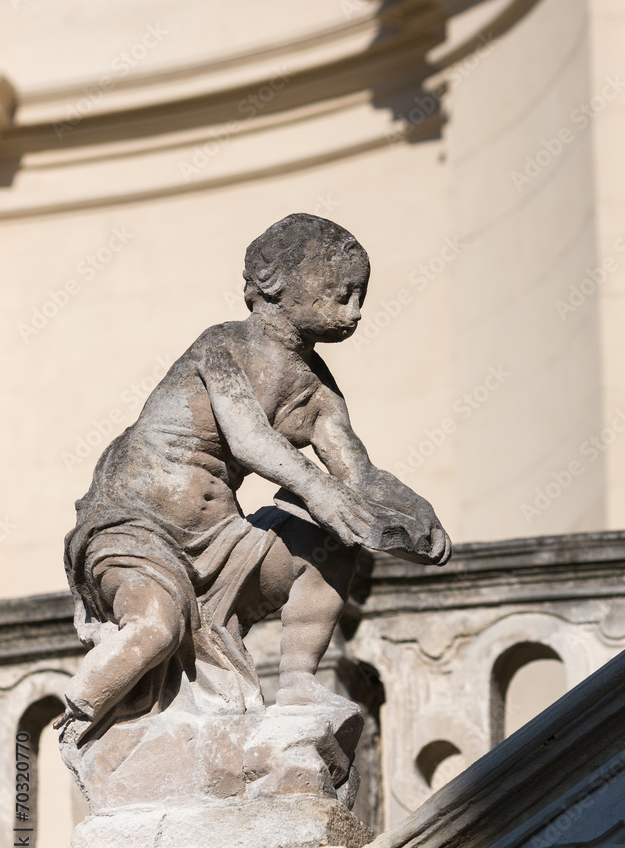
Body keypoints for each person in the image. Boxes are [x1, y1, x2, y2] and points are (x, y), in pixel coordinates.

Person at [56, 213, 450, 741]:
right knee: (153, 630)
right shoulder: (222, 346)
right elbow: (249, 439)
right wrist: (320, 491)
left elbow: (358, 474)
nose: (354, 312)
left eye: (360, 296)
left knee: (328, 540)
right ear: (277, 284)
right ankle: (78, 720)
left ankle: (297, 683)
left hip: (218, 542)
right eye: (339, 294)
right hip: (138, 533)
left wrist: (417, 516)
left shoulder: (318, 392)